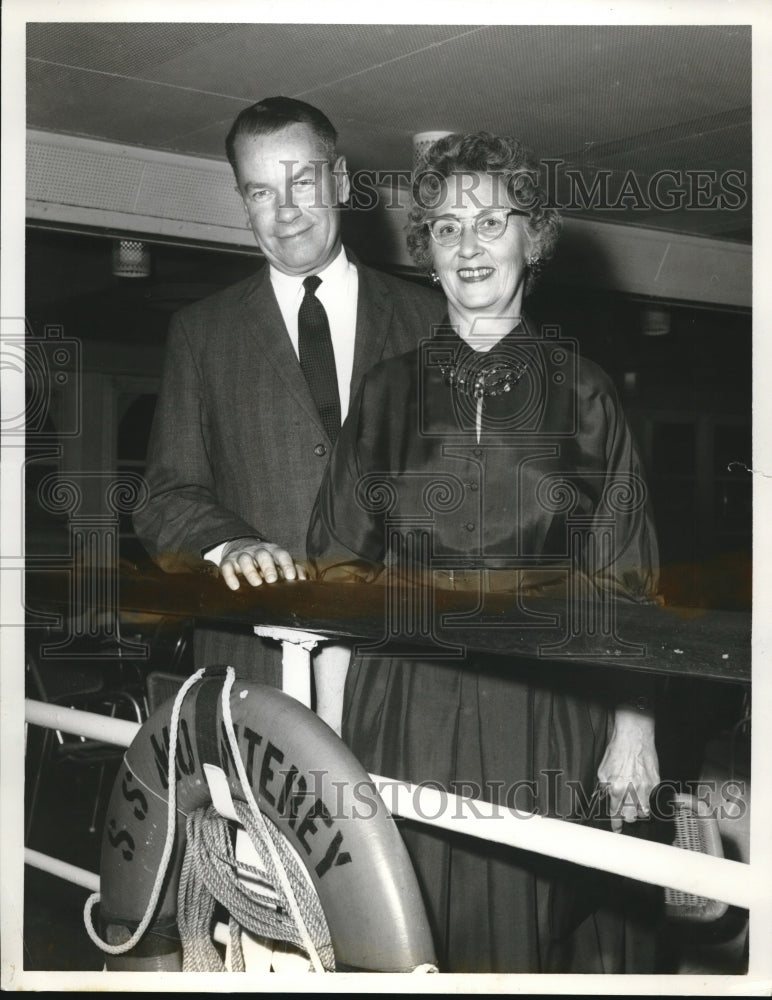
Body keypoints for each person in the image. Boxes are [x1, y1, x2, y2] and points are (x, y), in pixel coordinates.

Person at [307, 131, 662, 973]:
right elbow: (336, 577)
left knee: (535, 923)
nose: (470, 246)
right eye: (447, 228)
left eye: (492, 222)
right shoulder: (387, 391)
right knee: (403, 915)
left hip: (543, 701)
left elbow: (627, 573)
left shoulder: (583, 391)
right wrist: (323, 739)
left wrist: (635, 726)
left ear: (531, 240)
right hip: (404, 701)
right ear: (426, 252)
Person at [133, 97, 444, 684]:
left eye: (302, 181)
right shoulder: (201, 332)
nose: (286, 211)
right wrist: (231, 545)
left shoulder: (433, 322)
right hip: (259, 664)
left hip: (409, 664)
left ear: (342, 180)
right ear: (243, 203)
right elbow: (164, 496)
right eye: (260, 192)